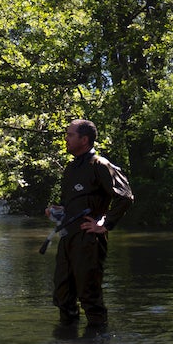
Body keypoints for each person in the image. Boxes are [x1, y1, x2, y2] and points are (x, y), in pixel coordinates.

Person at [44, 119, 133, 331]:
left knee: (89, 295)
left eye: (70, 135)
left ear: (84, 139)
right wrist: (57, 211)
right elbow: (73, 204)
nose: (66, 138)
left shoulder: (100, 165)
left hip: (89, 239)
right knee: (63, 295)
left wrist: (105, 223)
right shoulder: (71, 168)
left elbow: (126, 196)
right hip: (68, 238)